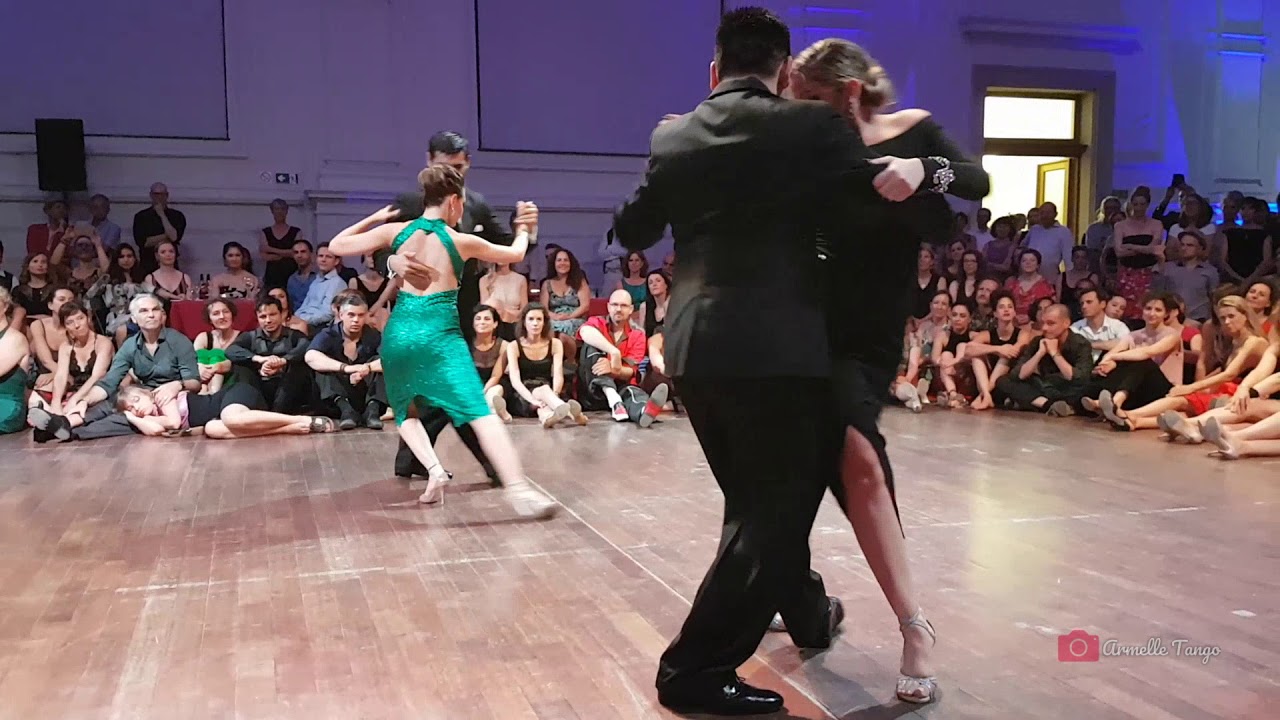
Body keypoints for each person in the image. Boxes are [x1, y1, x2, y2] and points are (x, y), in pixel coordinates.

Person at [612, 8, 898, 715]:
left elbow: (634, 229)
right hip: (779, 344)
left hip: (692, 345)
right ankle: (694, 671)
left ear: (714, 71)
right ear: (783, 71)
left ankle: (805, 611)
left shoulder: (673, 134)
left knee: (757, 498)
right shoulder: (809, 127)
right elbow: (872, 202)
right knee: (777, 505)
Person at [786, 36, 991, 704]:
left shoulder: (912, 130)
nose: (803, 112)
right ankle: (793, 596)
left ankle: (913, 625)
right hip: (802, 325)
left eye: (812, 99)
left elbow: (976, 181)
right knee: (808, 470)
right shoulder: (812, 147)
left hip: (868, 338)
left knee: (860, 462)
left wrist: (920, 170)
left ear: (847, 90)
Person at [328, 165, 555, 519]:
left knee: (406, 412)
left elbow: (337, 245)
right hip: (439, 336)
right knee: (480, 414)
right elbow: (514, 255)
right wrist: (524, 230)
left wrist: (375, 220)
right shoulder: (459, 240)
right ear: (453, 201)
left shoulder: (398, 231)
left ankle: (435, 471)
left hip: (400, 334)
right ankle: (519, 489)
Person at [380, 131, 508, 484]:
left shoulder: (477, 204)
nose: (456, 172)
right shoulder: (409, 202)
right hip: (417, 314)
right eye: (446, 165)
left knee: (442, 392)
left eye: (460, 166)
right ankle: (494, 465)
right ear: (429, 161)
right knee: (457, 392)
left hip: (460, 314)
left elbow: (504, 244)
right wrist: (393, 263)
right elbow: (378, 250)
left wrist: (528, 229)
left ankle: (413, 461)